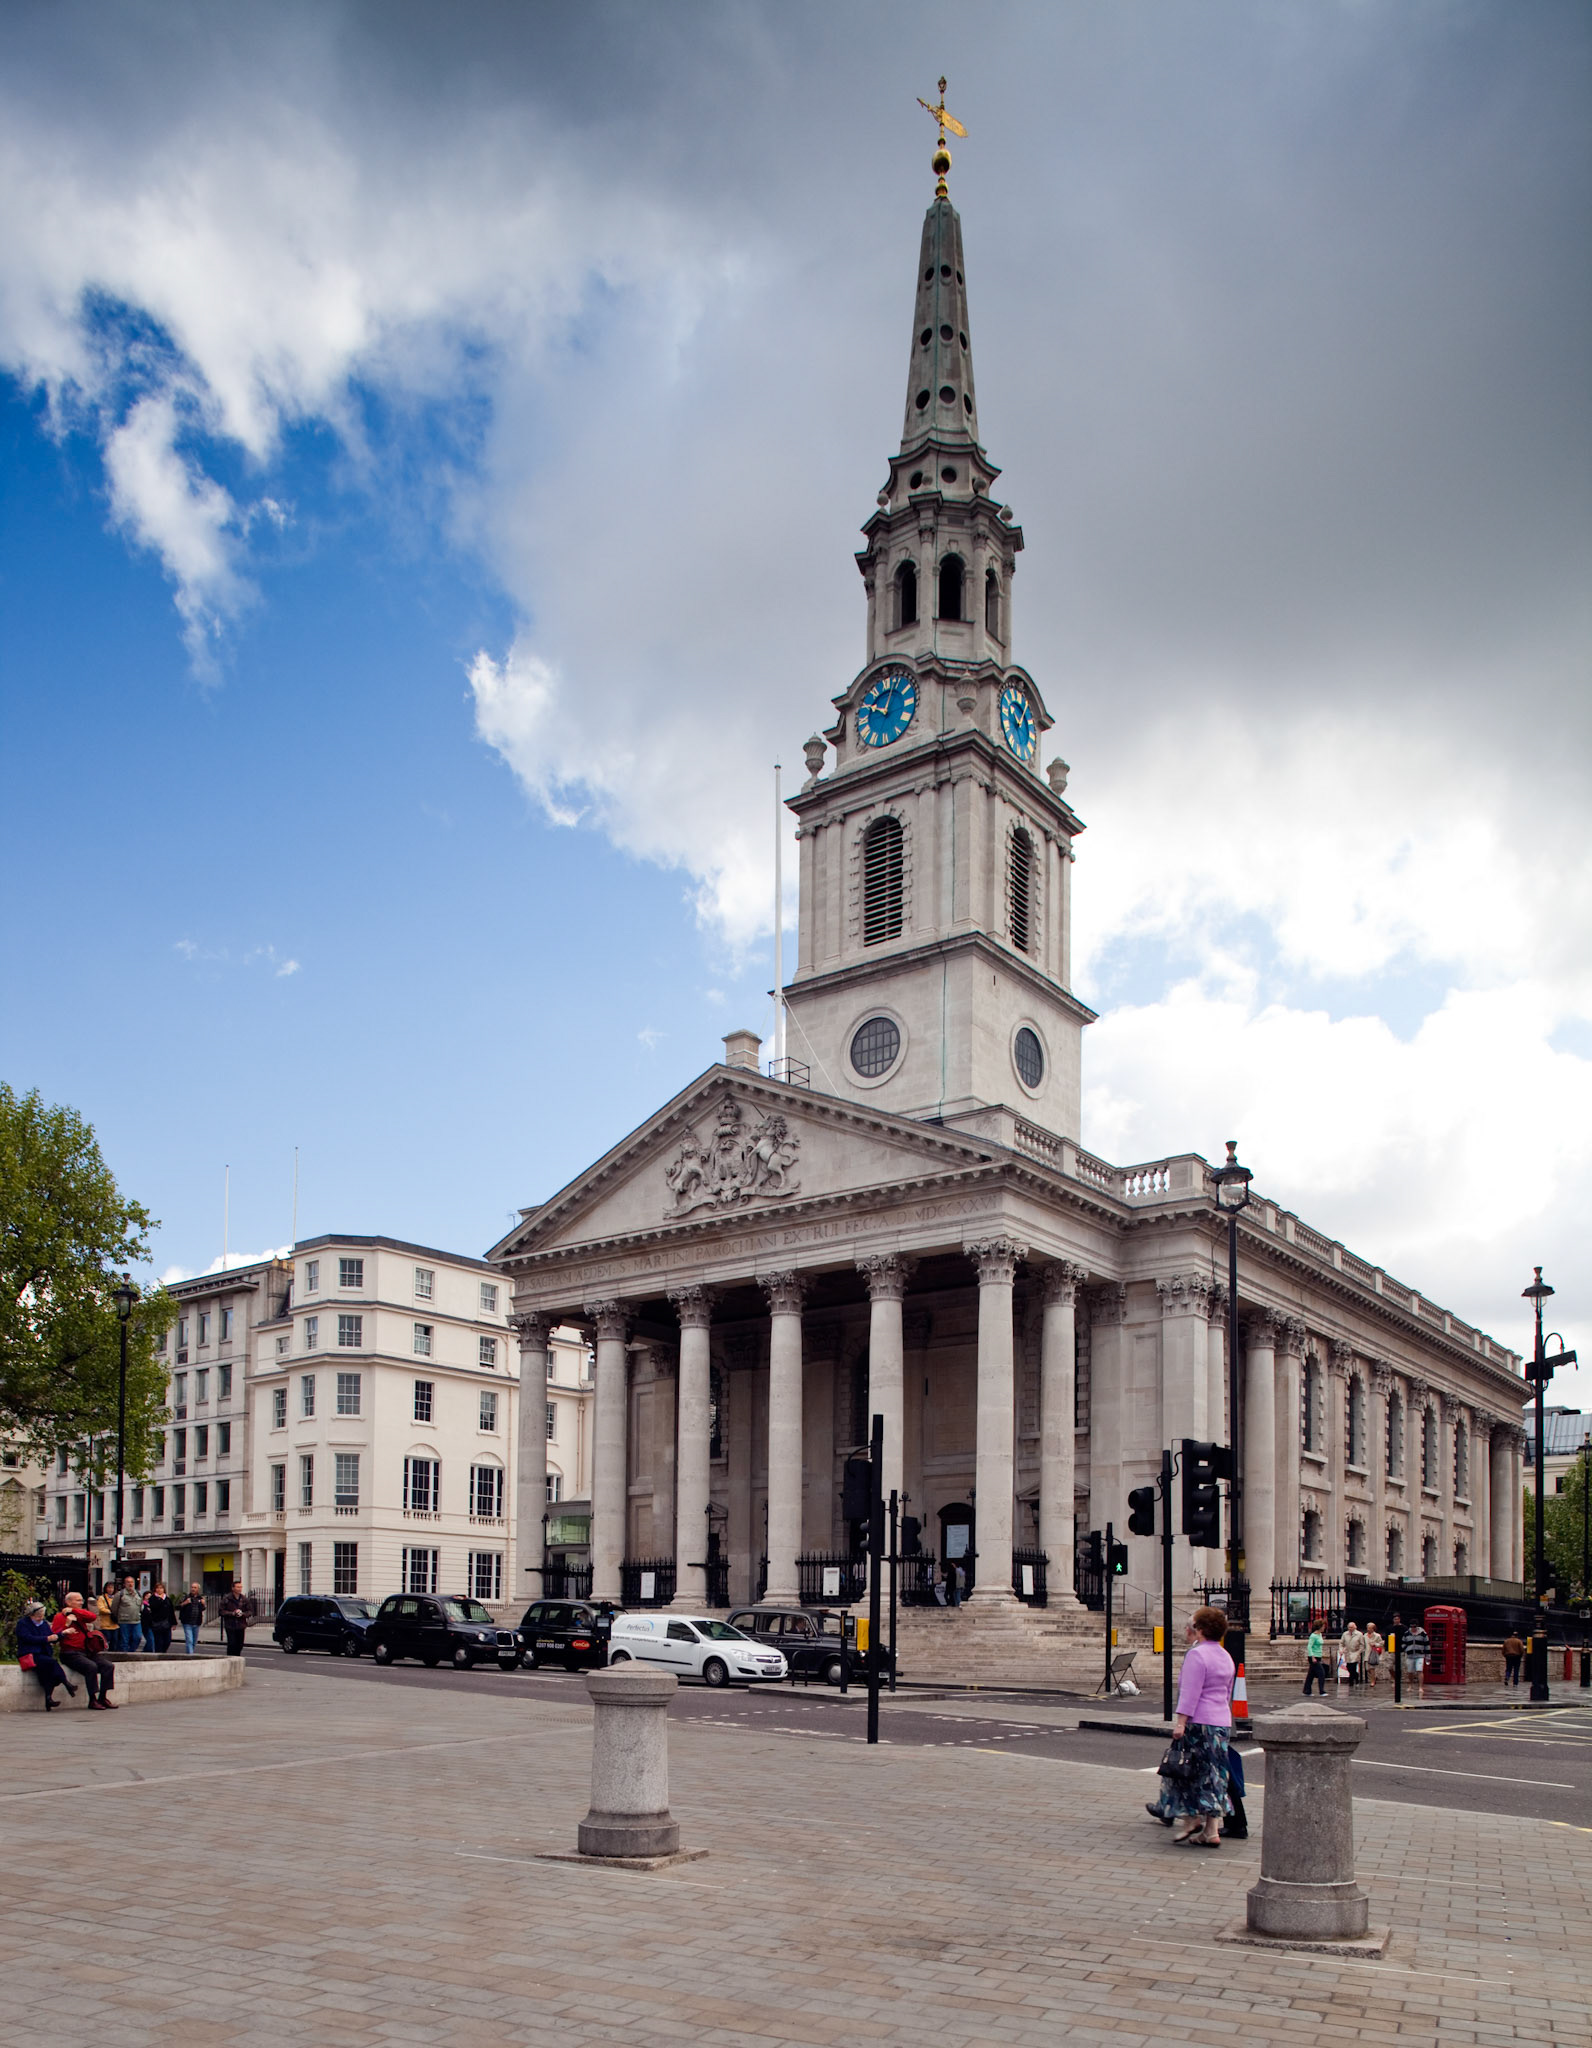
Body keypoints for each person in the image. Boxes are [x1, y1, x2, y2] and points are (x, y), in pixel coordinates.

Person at [1162, 1607, 1236, 1847]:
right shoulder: (1225, 1655)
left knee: (1188, 1772)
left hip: (1199, 1722)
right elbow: (1227, 1692)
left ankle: (1190, 1819)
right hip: (1221, 1721)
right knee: (1215, 1774)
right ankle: (1211, 1830)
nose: (1190, 1630)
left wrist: (1180, 1722)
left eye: (1193, 1627)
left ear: (1201, 1630)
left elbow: (1189, 1693)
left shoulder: (1197, 1655)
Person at [52, 1591, 117, 1708]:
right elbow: (55, 1635)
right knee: (91, 1667)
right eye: (77, 1600)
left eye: (81, 1600)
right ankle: (92, 1699)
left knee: (108, 1666)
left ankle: (102, 1697)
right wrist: (67, 1624)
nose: (81, 1603)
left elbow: (92, 1616)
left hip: (86, 1651)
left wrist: (73, 1611)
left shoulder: (80, 1614)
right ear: (68, 1602)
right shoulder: (59, 1617)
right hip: (70, 1652)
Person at [17, 1599, 76, 1710]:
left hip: (43, 1654)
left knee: (49, 1675)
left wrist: (62, 1634)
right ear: (31, 1615)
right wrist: (46, 1639)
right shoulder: (23, 1624)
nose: (40, 1618)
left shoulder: (43, 1624)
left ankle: (48, 1699)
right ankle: (67, 1683)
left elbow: (51, 1637)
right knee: (52, 1663)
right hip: (30, 1654)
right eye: (38, 1616)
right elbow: (27, 1638)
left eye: (42, 1616)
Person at [109, 1575, 143, 1652]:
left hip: (136, 1620)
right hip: (124, 1621)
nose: (130, 1584)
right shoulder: (120, 1594)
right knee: (124, 1640)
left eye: (131, 1582)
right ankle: (125, 1655)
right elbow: (114, 1608)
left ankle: (131, 1651)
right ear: (124, 1584)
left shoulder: (138, 1594)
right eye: (128, 1582)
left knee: (137, 1637)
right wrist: (118, 1617)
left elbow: (140, 1606)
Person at [145, 1582, 176, 1656]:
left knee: (167, 1641)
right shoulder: (153, 1598)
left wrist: (174, 1623)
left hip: (166, 1623)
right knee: (159, 1642)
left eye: (161, 1588)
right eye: (158, 1588)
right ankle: (159, 1655)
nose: (159, 1590)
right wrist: (160, 1599)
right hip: (157, 1623)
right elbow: (154, 1607)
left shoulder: (167, 1599)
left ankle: (163, 1653)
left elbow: (171, 1611)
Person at [220, 1580, 248, 1657]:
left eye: (241, 1587)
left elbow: (250, 1611)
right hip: (230, 1624)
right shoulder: (227, 1598)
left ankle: (237, 1658)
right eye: (237, 1587)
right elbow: (221, 1611)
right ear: (233, 1588)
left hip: (241, 1625)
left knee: (240, 1644)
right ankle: (230, 1658)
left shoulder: (244, 1599)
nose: (239, 1589)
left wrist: (243, 1614)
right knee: (232, 1643)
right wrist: (232, 1613)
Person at [179, 1583, 206, 1656]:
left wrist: (203, 1604)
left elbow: (203, 1609)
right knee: (189, 1640)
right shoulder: (186, 1597)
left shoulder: (200, 1598)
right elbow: (178, 1606)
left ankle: (190, 1652)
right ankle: (190, 1655)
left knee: (194, 1641)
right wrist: (185, 1603)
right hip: (187, 1622)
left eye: (195, 1587)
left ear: (198, 1589)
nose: (193, 1589)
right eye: (192, 1587)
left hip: (196, 1622)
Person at [1303, 1624, 1328, 1696]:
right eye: (1323, 1626)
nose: (1324, 1628)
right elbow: (1309, 1646)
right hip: (1313, 1657)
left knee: (1311, 1674)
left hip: (1318, 1656)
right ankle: (1321, 1691)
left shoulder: (1320, 1635)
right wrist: (1312, 1656)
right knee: (1321, 1673)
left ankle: (1307, 1690)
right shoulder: (1313, 1636)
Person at [1340, 1621, 1366, 1688]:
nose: (1350, 1628)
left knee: (1353, 1667)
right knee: (1349, 1667)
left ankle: (1351, 1681)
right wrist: (1341, 1650)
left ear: (1355, 1627)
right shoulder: (1345, 1634)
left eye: (1351, 1627)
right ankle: (1356, 1676)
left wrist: (1359, 1652)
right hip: (1348, 1652)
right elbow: (1341, 1643)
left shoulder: (1359, 1634)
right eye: (1349, 1627)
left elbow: (1362, 1645)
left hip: (1355, 1652)